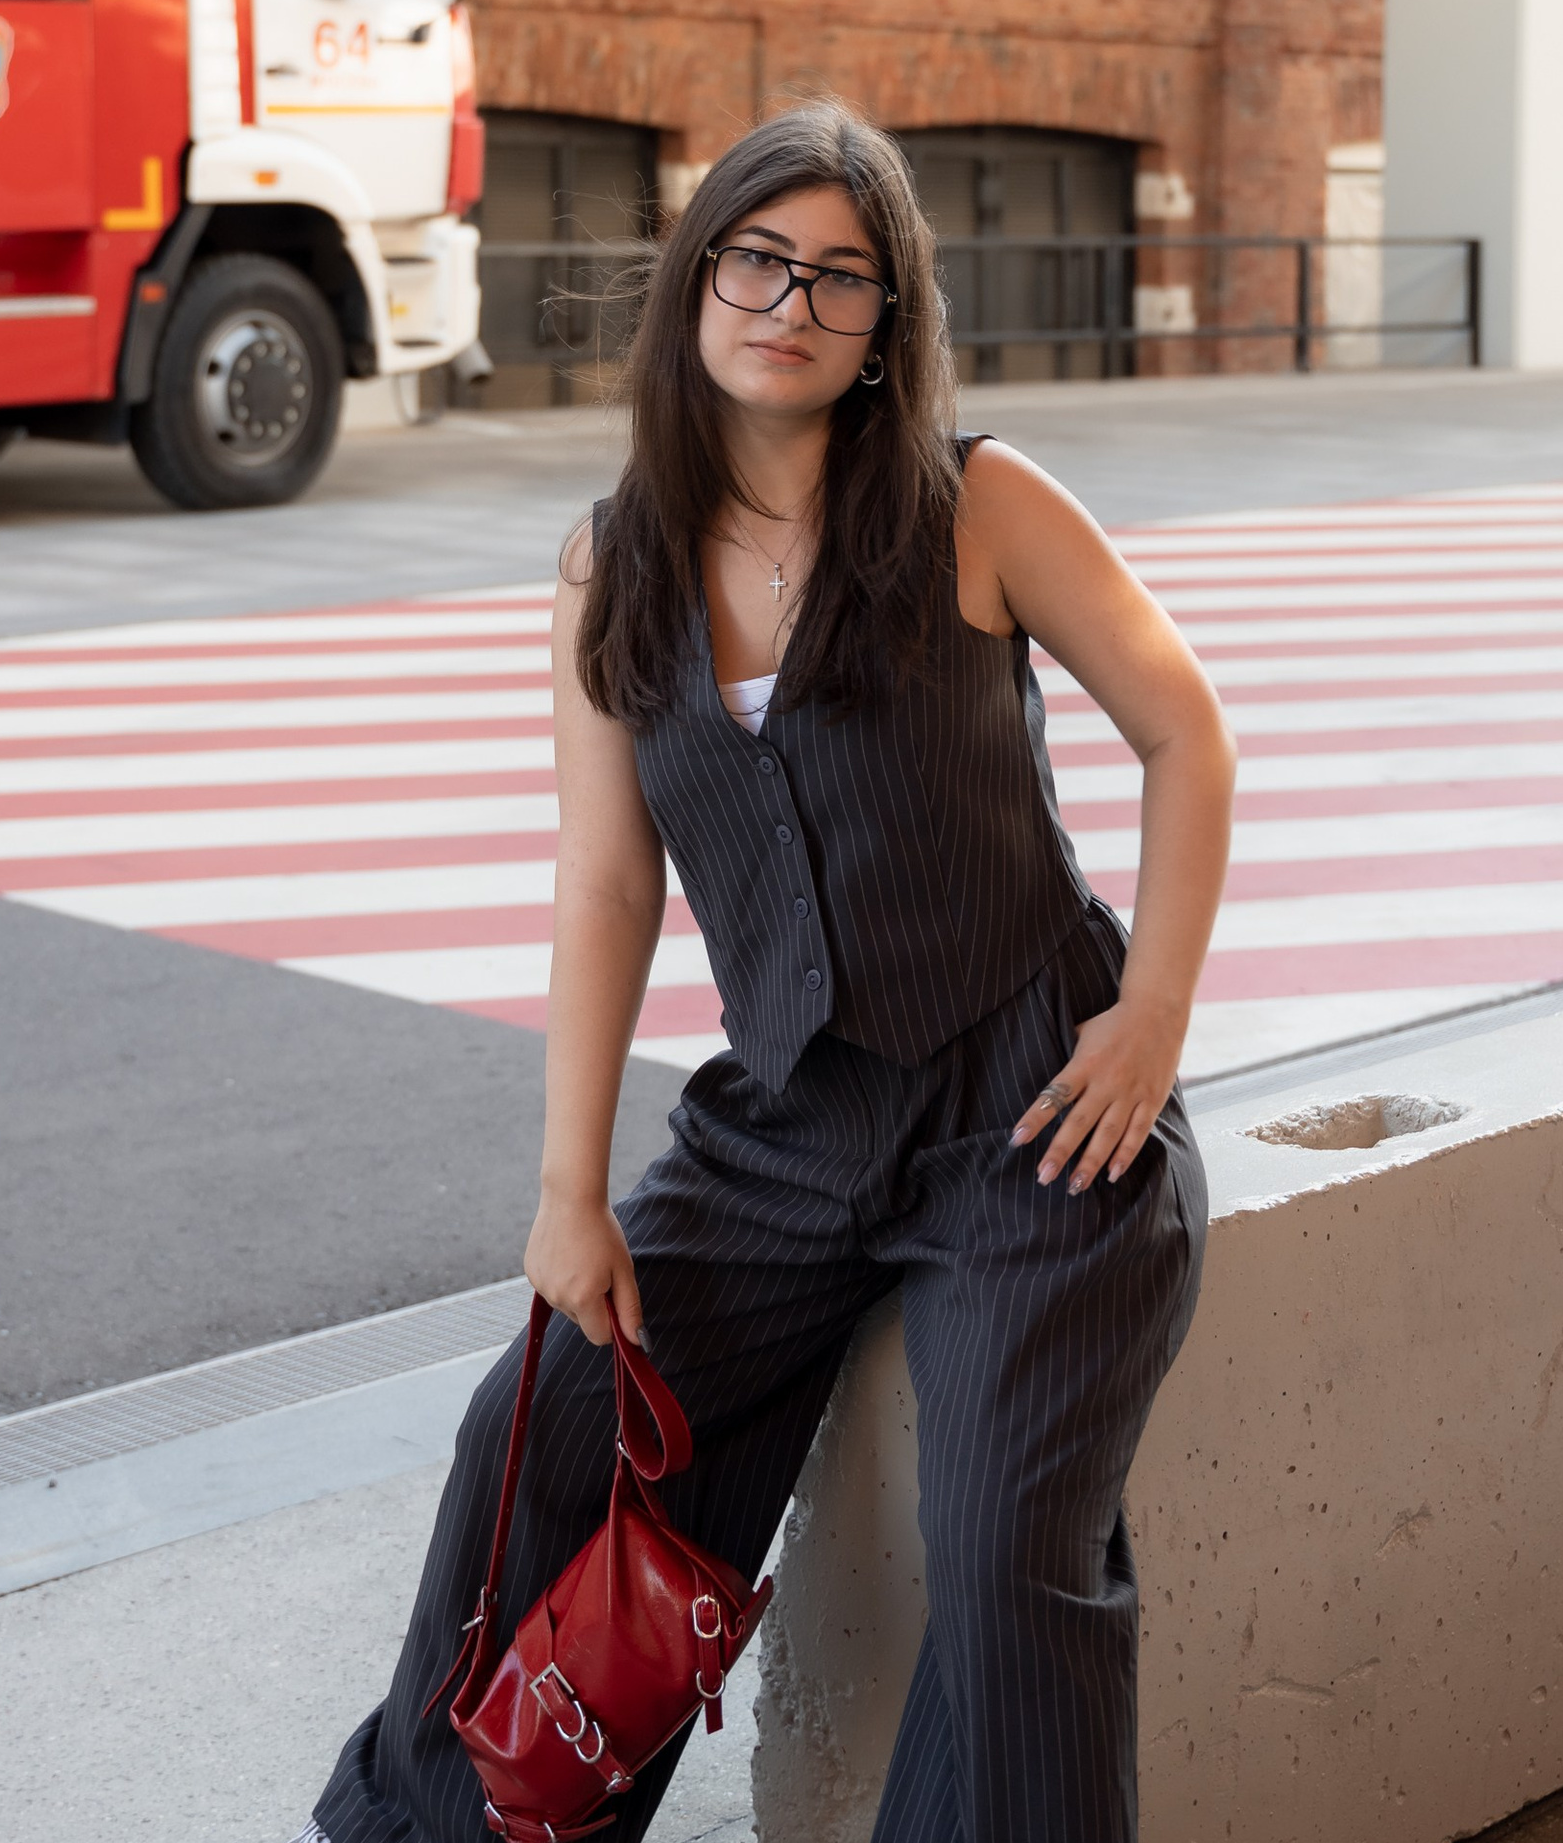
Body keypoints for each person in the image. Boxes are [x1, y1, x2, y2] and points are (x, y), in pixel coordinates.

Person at [309, 99, 1231, 1843]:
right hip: (783, 1127)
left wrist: (1155, 1014)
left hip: (1028, 1107)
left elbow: (1187, 730)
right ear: (695, 279)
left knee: (1011, 1543)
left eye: (840, 277)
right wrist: (567, 1194)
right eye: (756, 257)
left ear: (888, 328)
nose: (789, 301)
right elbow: (604, 883)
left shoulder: (981, 506)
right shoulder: (612, 563)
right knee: (543, 1427)